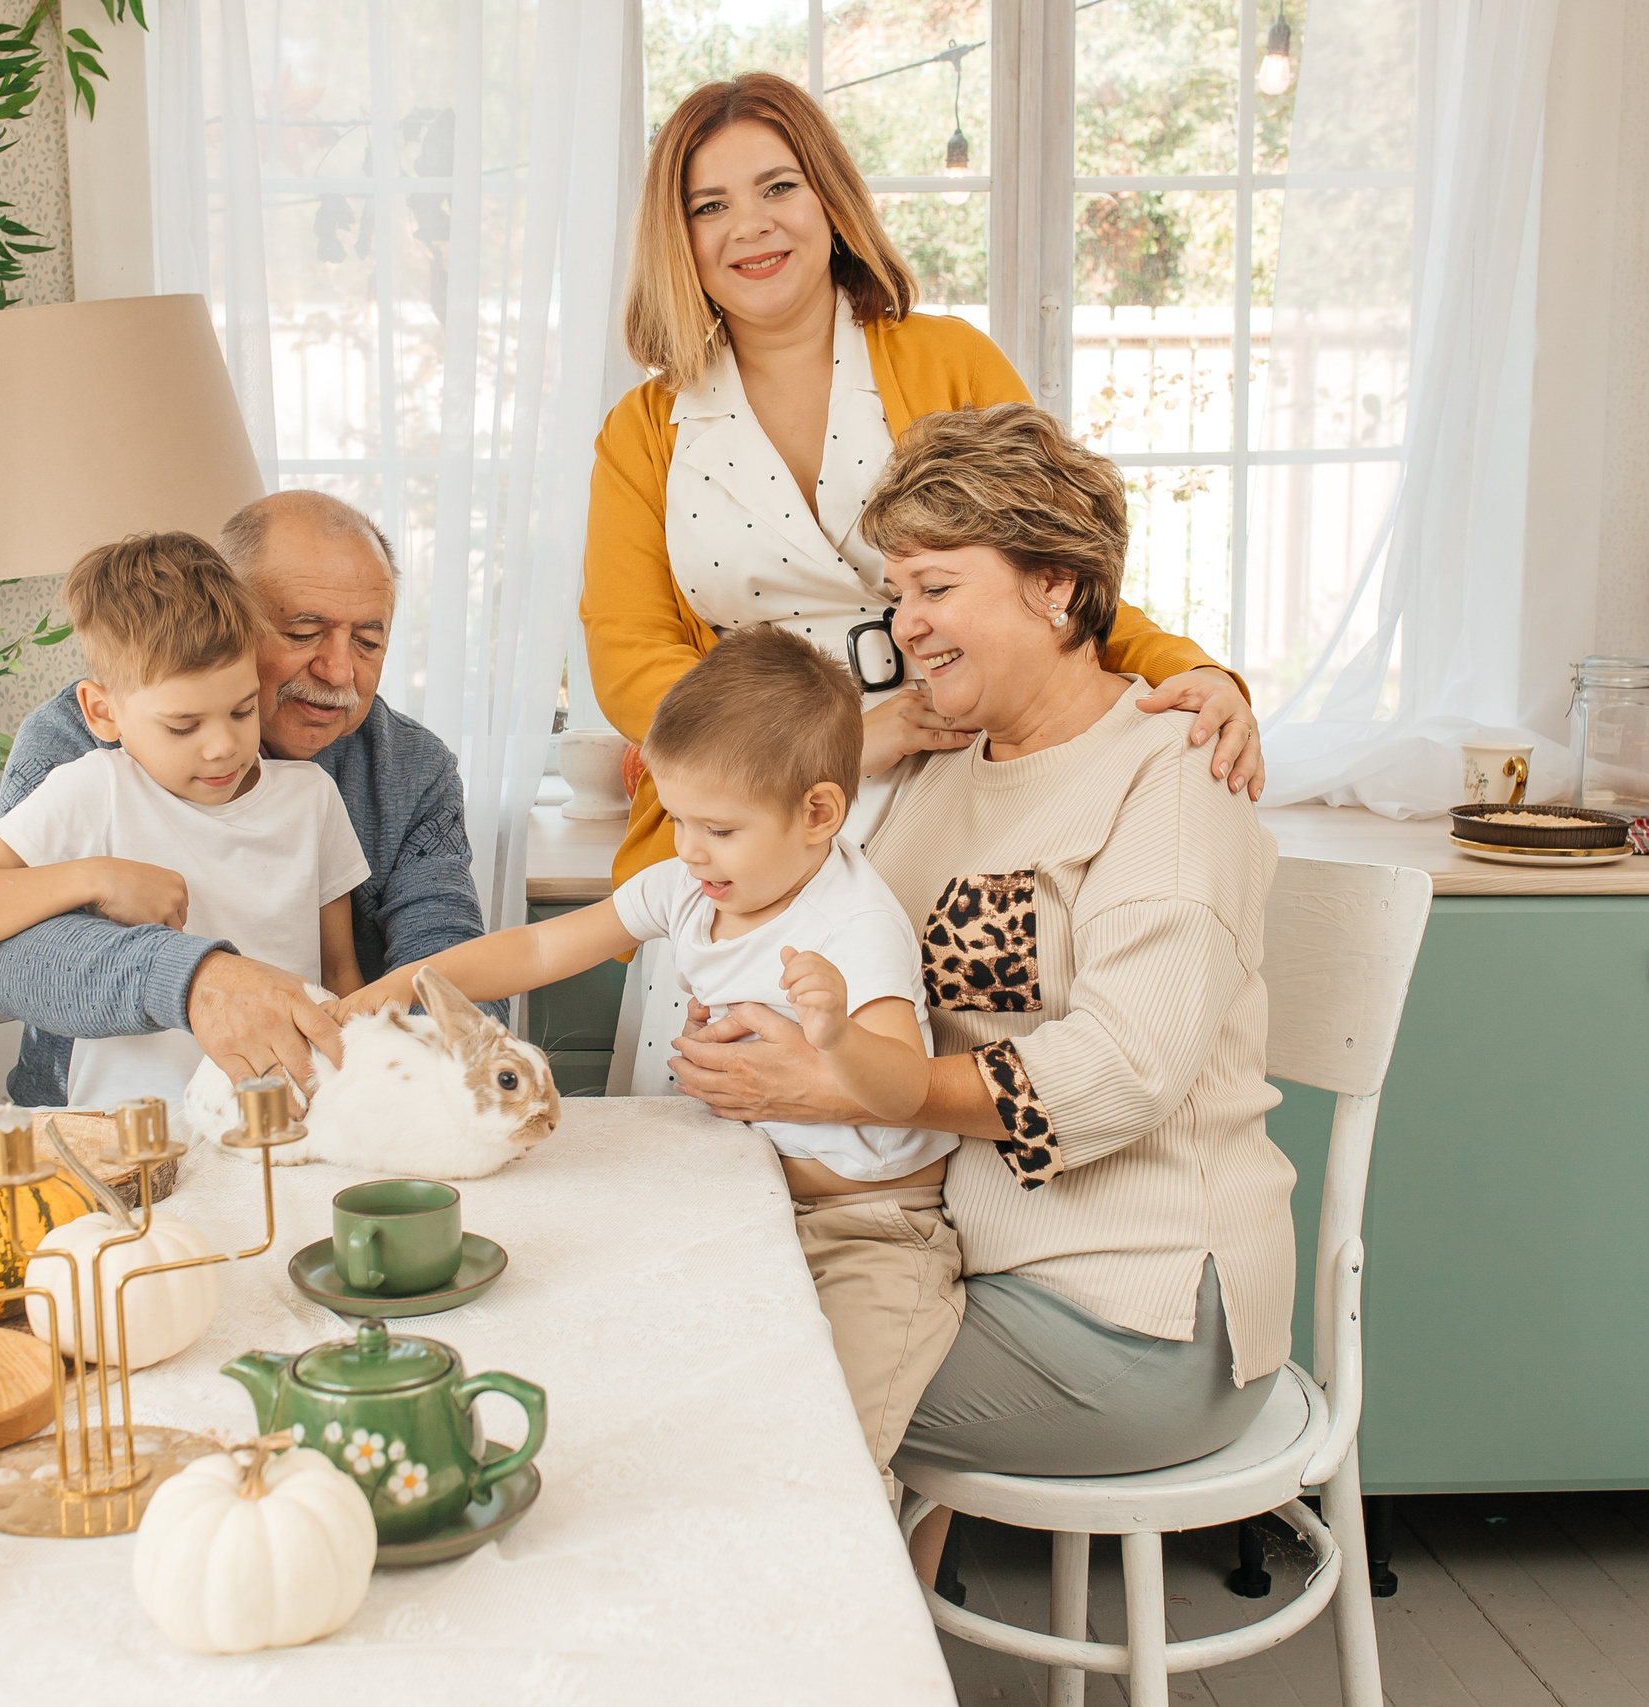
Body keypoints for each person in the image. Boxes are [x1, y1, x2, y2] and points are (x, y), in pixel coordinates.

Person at [666, 403, 1293, 1579]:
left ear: (1055, 587)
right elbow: (791, 860)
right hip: (966, 1262)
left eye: (935, 588)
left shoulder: (1172, 776)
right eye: (897, 593)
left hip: (1131, 1313)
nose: (905, 624)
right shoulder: (943, 765)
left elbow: (1121, 1072)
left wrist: (858, 1087)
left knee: (738, 1364)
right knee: (702, 1302)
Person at [583, 71, 1263, 892]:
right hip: (750, 807)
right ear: (677, 236)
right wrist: (819, 749)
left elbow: (1057, 571)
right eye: (709, 205)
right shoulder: (642, 429)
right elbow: (629, 657)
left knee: (952, 1020)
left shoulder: (951, 360)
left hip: (964, 765)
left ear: (828, 200)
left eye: (779, 187)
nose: (750, 225)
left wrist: (1192, 673)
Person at [342, 626, 960, 1471]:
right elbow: (538, 951)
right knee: (690, 1386)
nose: (689, 848)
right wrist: (406, 980)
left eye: (718, 827)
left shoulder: (852, 926)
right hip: (755, 1193)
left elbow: (903, 1090)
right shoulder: (692, 885)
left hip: (872, 1230)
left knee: (830, 1454)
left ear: (818, 813)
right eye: (676, 818)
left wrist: (839, 1036)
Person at [0, 490, 496, 1107]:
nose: (339, 671)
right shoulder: (79, 743)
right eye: (304, 630)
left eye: (367, 641)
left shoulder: (410, 767)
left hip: (303, 1113)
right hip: (92, 1122)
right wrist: (195, 978)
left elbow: (445, 953)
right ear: (228, 623)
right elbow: (13, 959)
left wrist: (441, 1077)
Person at [0, 532, 367, 1108]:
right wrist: (94, 878)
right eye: (183, 726)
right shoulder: (95, 789)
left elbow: (341, 972)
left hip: (289, 1122)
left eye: (242, 710)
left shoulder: (312, 798)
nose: (222, 748)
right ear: (102, 711)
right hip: (129, 1131)